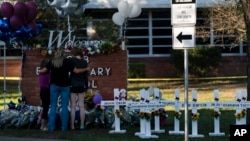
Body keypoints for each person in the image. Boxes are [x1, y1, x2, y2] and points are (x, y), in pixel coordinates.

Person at [40, 48, 89, 131]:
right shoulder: (67, 61)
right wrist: (86, 69)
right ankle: (64, 127)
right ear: (64, 54)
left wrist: (42, 71)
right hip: (65, 86)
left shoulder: (52, 61)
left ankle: (51, 127)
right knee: (65, 107)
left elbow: (43, 70)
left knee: (53, 106)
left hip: (54, 86)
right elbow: (76, 71)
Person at [69, 48, 88, 130]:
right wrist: (86, 86)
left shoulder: (71, 60)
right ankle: (82, 125)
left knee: (73, 106)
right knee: (81, 106)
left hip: (72, 84)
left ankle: (72, 125)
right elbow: (86, 76)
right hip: (81, 85)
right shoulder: (84, 62)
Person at [39, 58, 50, 131]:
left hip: (42, 91)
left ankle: (43, 125)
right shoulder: (49, 74)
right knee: (46, 109)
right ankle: (43, 125)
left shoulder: (41, 74)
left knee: (44, 108)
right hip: (47, 91)